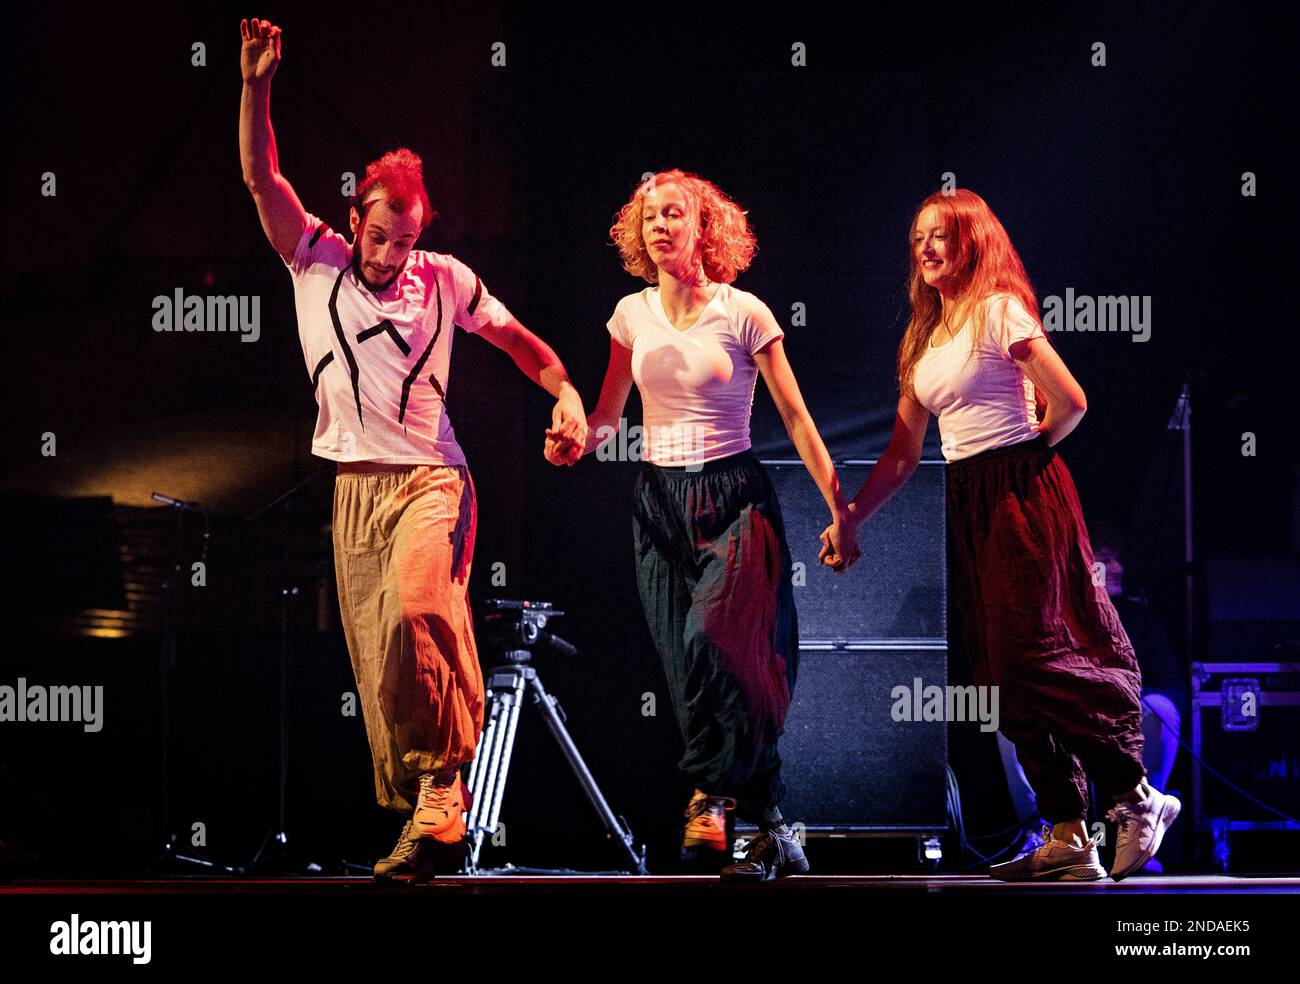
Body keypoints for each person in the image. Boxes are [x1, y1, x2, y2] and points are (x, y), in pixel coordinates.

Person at [238, 17, 587, 882]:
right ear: (357, 217)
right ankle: (426, 809)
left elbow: (520, 344)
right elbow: (259, 176)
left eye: (408, 237)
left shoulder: (447, 279)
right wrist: (256, 85)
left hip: (434, 478)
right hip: (353, 489)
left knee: (422, 606)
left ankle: (447, 788)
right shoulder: (313, 259)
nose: (394, 254)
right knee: (381, 652)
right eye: (382, 235)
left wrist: (569, 393)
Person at [821, 188, 1179, 881]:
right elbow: (902, 453)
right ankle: (1070, 832)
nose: (927, 248)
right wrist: (853, 515)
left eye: (942, 236)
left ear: (972, 243)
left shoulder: (997, 310)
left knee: (1030, 657)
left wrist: (1025, 462)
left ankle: (1136, 795)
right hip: (967, 496)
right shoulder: (923, 336)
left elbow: (1070, 400)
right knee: (996, 673)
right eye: (919, 237)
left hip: (1022, 487)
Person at [546, 170, 858, 880]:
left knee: (717, 642)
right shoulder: (630, 316)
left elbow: (798, 419)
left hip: (735, 498)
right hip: (657, 502)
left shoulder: (744, 312)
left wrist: (842, 511)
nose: (660, 226)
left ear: (703, 228)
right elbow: (605, 416)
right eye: (650, 217)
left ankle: (710, 797)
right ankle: (771, 820)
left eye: (674, 214)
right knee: (693, 668)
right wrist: (574, 439)